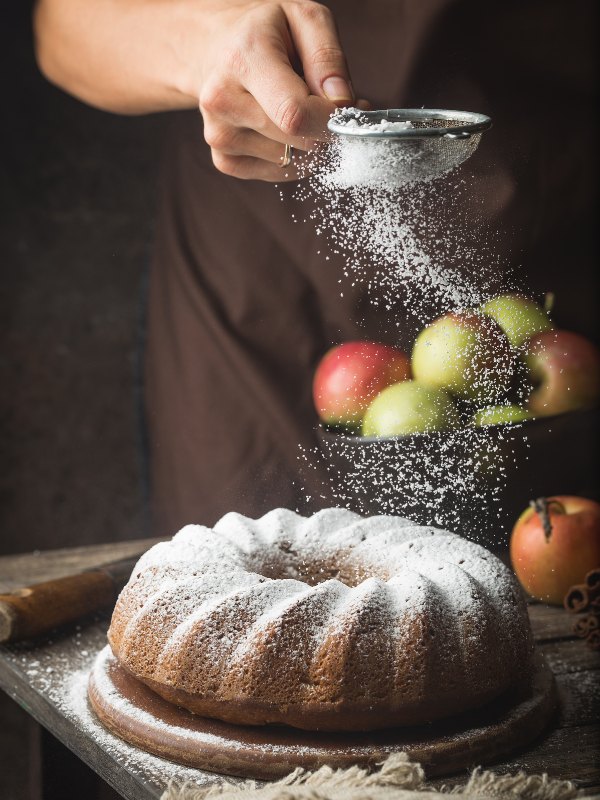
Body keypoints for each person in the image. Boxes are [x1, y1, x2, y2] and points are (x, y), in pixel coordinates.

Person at [33, 0, 596, 535]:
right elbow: (63, 25)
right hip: (263, 299)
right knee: (253, 601)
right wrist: (206, 45)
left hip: (545, 273)